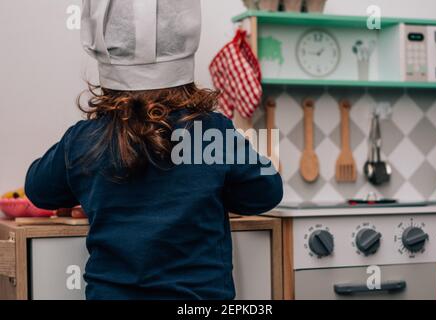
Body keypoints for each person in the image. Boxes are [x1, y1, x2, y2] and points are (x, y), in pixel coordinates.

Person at [25, 0, 283, 300]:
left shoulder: (84, 140)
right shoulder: (212, 132)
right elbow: (267, 192)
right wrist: (217, 189)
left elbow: (38, 190)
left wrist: (89, 188)